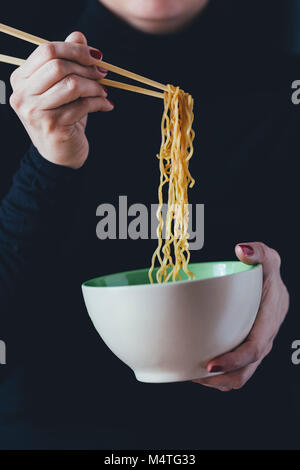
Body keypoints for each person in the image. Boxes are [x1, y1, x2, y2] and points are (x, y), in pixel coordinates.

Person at [0, 0, 296, 449]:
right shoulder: (25, 84)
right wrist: (49, 162)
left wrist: (285, 301)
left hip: (248, 431)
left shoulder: (284, 87)